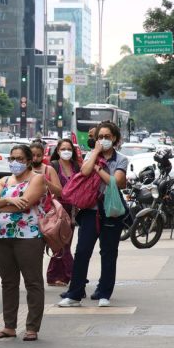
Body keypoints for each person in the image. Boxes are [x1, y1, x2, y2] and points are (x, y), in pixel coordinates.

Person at [57, 121, 128, 308]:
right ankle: (75, 293)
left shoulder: (121, 159)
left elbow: (117, 182)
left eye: (107, 137)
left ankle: (104, 292)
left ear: (115, 139)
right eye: (100, 137)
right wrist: (95, 154)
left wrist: (99, 169)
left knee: (109, 252)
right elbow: (84, 171)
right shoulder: (91, 155)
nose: (103, 140)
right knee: (82, 251)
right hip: (90, 210)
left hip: (111, 210)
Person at [0, 145, 46, 341]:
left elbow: (27, 204)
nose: (15, 162)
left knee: (32, 281)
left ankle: (32, 328)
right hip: (3, 236)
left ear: (29, 161)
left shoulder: (36, 178)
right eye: (12, 158)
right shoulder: (4, 180)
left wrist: (1, 208)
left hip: (28, 236)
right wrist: (14, 201)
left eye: (20, 159)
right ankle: (9, 326)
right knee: (8, 282)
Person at [45, 138, 79, 287]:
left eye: (69, 149)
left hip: (72, 210)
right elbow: (49, 187)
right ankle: (73, 274)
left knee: (66, 243)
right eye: (63, 149)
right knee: (60, 243)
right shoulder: (53, 166)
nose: (66, 151)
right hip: (57, 208)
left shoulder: (76, 166)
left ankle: (60, 276)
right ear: (58, 151)